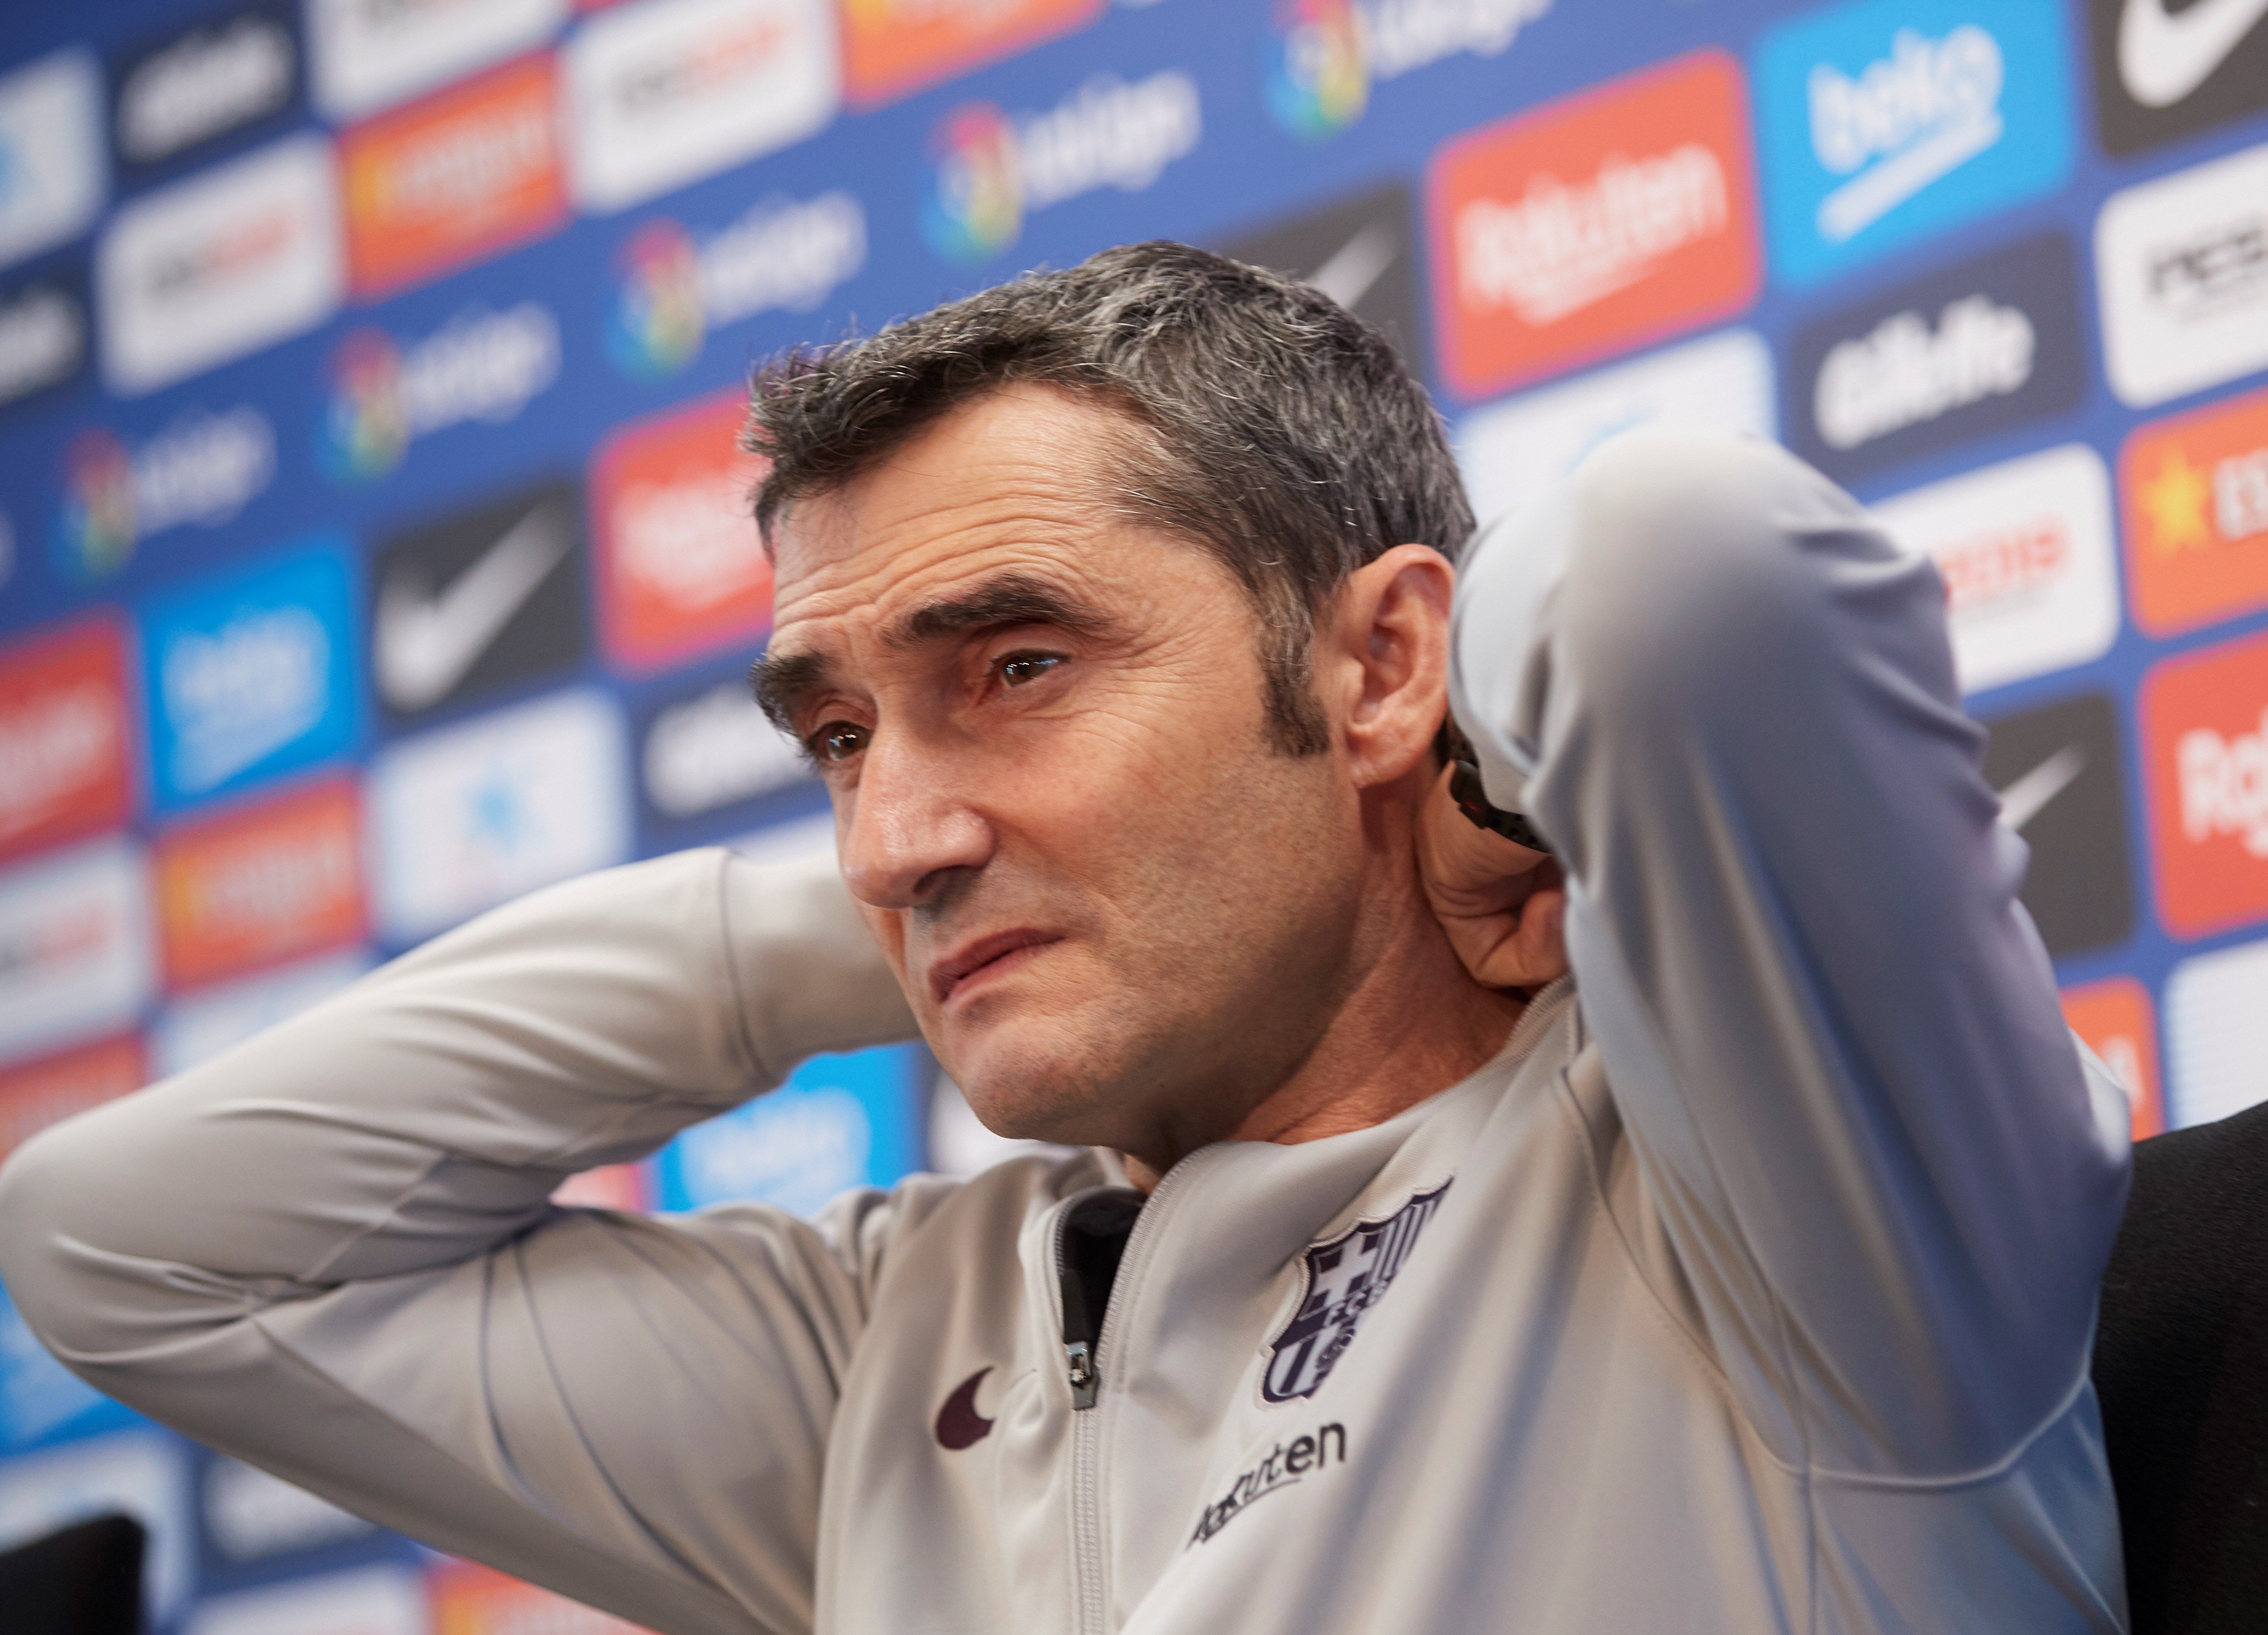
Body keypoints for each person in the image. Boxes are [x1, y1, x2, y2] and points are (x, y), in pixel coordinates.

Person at [0, 244, 2131, 1634]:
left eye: (1015, 668)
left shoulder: (1761, 1190)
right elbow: (131, 1242)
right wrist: (869, 920)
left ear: (1389, 658)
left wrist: (1469, 782)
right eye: (836, 738)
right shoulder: (880, 1348)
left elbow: (1674, 566)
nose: (895, 828)